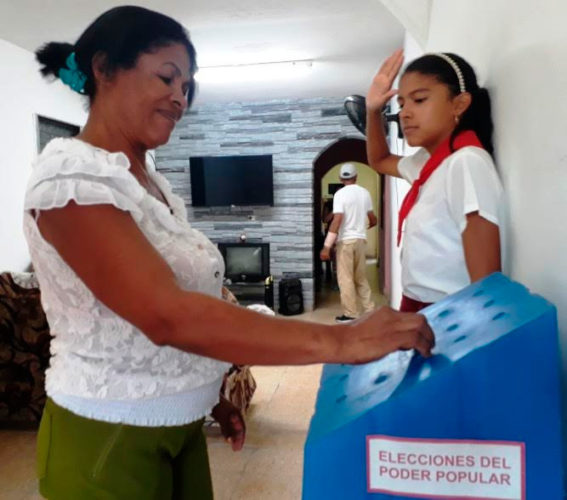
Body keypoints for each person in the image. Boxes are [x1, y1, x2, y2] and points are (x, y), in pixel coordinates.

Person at [26, 7, 434, 499]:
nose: (180, 97)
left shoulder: (149, 182)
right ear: (104, 67)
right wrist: (342, 343)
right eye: (167, 77)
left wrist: (212, 387)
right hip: (107, 435)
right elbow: (166, 315)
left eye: (187, 86)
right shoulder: (71, 180)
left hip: (180, 425)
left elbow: (187, 297)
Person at [366, 49, 503, 312]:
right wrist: (373, 111)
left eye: (419, 100)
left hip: (448, 312)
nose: (404, 113)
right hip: (417, 306)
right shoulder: (427, 163)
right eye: (402, 104)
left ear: (459, 104)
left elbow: (486, 285)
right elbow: (380, 161)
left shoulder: (465, 162)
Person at [320, 164, 377, 323]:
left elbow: (337, 220)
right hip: (360, 241)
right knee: (361, 278)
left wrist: (327, 246)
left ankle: (351, 314)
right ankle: (370, 311)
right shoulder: (365, 193)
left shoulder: (340, 194)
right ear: (356, 177)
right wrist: (367, 225)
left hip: (345, 242)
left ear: (340, 178)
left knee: (345, 279)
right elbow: (373, 219)